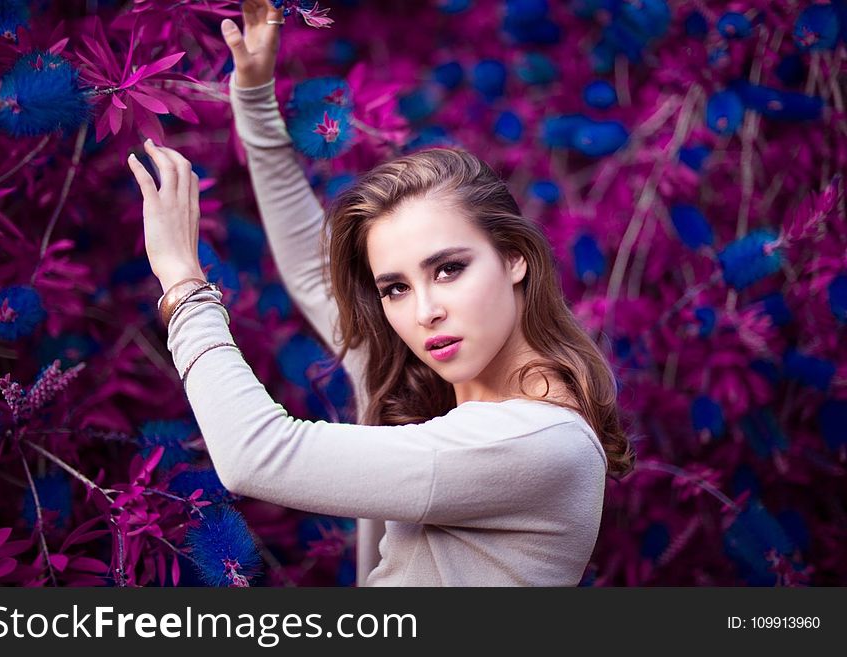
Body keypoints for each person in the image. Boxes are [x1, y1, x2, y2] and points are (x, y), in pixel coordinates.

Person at [126, 0, 635, 586]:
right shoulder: (434, 389)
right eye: (395, 287)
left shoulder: (534, 442)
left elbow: (253, 455)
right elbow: (316, 274)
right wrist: (257, 105)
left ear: (515, 258)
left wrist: (183, 285)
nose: (425, 312)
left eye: (448, 269)